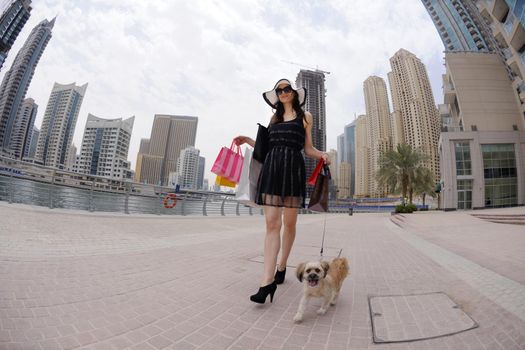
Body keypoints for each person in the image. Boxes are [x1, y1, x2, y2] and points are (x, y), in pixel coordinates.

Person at [234, 78, 330, 304]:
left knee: (289, 224)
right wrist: (248, 139)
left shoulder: (306, 117)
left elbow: (308, 149)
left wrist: (322, 155)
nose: (284, 92)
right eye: (280, 90)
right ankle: (266, 283)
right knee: (271, 224)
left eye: (288, 89)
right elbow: (266, 146)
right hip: (272, 169)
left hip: (293, 170)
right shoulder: (274, 118)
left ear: (294, 93)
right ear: (277, 95)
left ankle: (282, 265)